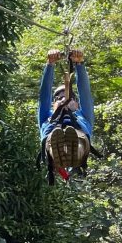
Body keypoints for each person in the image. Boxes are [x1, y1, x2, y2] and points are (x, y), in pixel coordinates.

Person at [37, 48, 94, 181]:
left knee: (78, 139)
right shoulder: (47, 116)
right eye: (59, 98)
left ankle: (72, 154)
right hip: (52, 140)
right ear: (53, 104)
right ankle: (59, 155)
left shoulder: (83, 115)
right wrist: (50, 64)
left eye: (68, 97)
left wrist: (79, 64)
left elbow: (85, 93)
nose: (64, 99)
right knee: (53, 140)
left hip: (79, 140)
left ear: (77, 103)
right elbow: (44, 95)